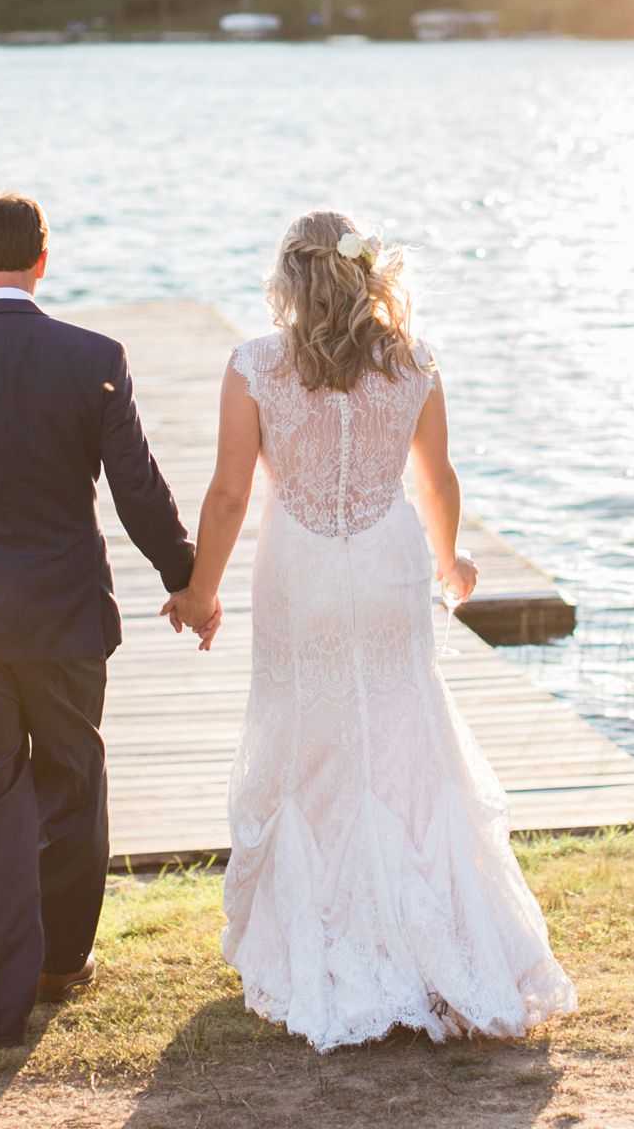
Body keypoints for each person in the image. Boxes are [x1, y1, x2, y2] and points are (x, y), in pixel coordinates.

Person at [163, 209, 577, 1051]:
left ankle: (326, 933)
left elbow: (230, 496)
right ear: (362, 274)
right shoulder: (413, 364)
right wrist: (452, 559)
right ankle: (437, 945)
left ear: (289, 280)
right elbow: (437, 479)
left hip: (300, 573)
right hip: (386, 567)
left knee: (306, 735)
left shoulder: (254, 367)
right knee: (404, 735)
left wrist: (199, 591)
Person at [0, 190, 216, 1048]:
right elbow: (139, 491)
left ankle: (0, 999)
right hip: (65, 623)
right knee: (71, 782)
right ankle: (61, 962)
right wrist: (187, 581)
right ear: (43, 262)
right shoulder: (92, 356)